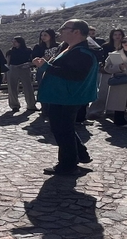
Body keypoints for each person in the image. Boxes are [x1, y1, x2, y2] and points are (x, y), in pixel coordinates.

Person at [32, 20, 98, 176]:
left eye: (64, 29)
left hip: (68, 96)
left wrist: (46, 66)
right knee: (64, 127)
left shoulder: (83, 52)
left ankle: (68, 165)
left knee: (61, 129)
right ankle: (80, 155)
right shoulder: (69, 48)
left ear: (76, 32)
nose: (59, 32)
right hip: (62, 96)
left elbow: (74, 75)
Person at [86, 28, 127, 120]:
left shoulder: (125, 46)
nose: (117, 37)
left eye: (119, 34)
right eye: (115, 34)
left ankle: (112, 110)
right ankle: (95, 111)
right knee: (103, 92)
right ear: (112, 36)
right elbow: (101, 58)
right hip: (107, 71)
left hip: (121, 71)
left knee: (117, 93)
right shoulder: (106, 46)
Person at [5, 37, 37, 113]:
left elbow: (32, 59)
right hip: (12, 68)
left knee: (28, 87)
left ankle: (31, 105)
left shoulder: (28, 50)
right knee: (12, 88)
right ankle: (14, 105)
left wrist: (29, 65)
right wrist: (5, 74)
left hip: (24, 68)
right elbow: (7, 63)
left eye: (15, 41)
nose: (13, 43)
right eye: (13, 41)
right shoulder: (10, 51)